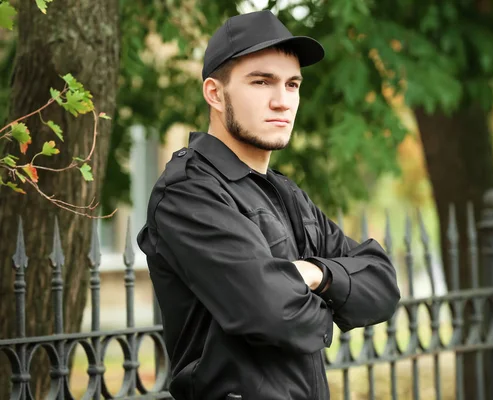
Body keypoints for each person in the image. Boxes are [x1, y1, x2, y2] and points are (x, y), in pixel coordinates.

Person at [137, 10, 400, 400]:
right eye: (262, 82)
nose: (283, 101)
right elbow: (272, 314)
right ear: (214, 92)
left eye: (292, 84)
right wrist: (335, 300)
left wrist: (315, 275)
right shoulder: (188, 192)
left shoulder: (286, 193)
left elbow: (382, 284)